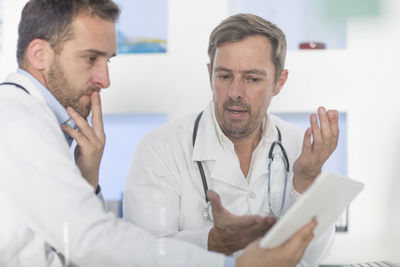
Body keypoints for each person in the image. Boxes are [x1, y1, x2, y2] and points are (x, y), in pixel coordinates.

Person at [0, 1, 318, 267]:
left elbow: (68, 242)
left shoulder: (31, 118)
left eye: (108, 60)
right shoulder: (17, 119)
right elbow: (91, 242)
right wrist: (231, 262)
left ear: (279, 81)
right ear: (39, 54)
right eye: (91, 58)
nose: (105, 79)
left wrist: (87, 178)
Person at [124, 13, 339, 266]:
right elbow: (144, 256)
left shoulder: (298, 147)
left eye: (252, 79)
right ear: (210, 74)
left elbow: (314, 258)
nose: (235, 93)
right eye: (224, 76)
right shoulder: (160, 148)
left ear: (279, 82)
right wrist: (211, 242)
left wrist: (307, 182)